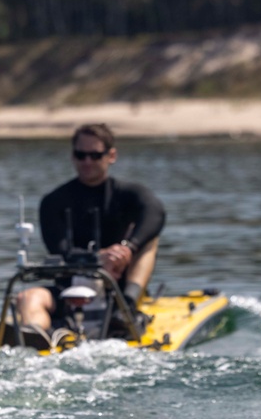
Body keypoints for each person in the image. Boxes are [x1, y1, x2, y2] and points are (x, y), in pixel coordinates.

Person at [16, 123, 165, 334]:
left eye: (95, 155)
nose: (87, 162)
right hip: (68, 291)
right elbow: (60, 251)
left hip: (118, 293)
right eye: (80, 155)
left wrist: (127, 249)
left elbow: (156, 214)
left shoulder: (130, 195)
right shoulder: (54, 201)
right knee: (28, 297)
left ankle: (127, 309)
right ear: (73, 156)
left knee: (150, 240)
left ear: (111, 156)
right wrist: (98, 258)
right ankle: (35, 335)